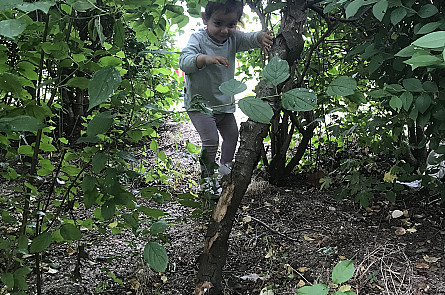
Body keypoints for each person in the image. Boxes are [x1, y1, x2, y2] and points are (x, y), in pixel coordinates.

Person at [179, 0, 273, 178]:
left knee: (232, 136)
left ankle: (225, 169)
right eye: (218, 23)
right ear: (205, 19)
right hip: (200, 105)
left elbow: (249, 38)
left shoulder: (233, 38)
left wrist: (261, 37)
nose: (224, 30)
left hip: (224, 104)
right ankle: (207, 179)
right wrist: (204, 59)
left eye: (231, 24)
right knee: (211, 141)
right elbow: (184, 62)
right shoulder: (198, 39)